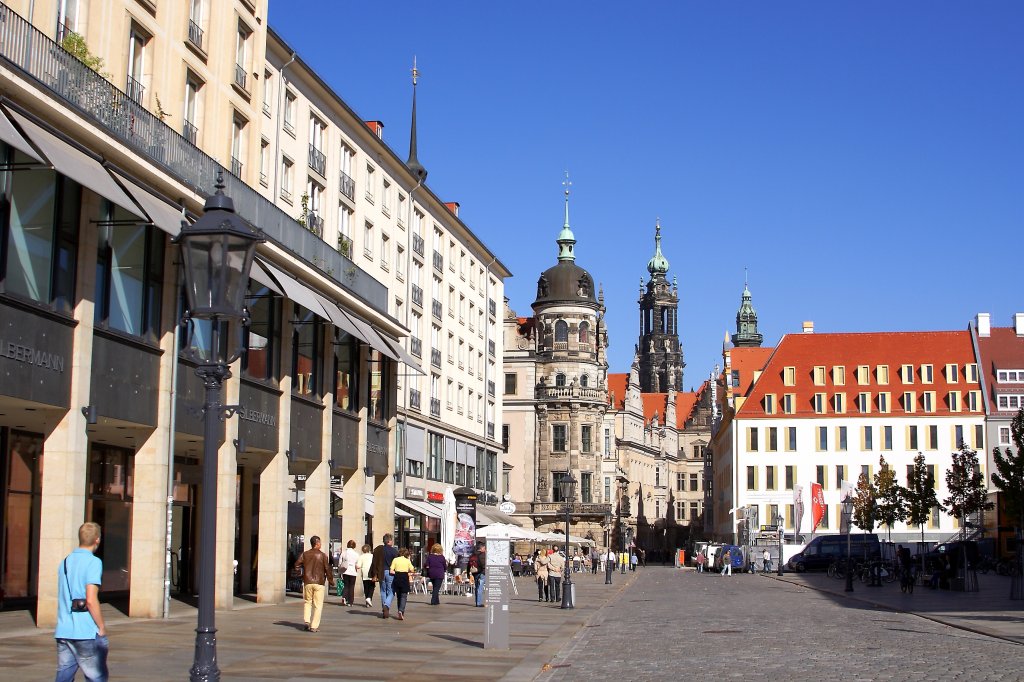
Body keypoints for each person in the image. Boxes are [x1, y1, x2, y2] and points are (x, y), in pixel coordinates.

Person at [55, 522, 108, 682]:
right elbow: (91, 600)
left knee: (64, 675)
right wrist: (101, 626)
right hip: (85, 631)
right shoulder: (94, 562)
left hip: (64, 630)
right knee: (96, 676)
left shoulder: (65, 562)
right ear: (97, 540)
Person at [294, 535, 334, 632]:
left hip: (308, 581)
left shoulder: (305, 554)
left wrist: (301, 575)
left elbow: (297, 565)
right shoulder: (323, 555)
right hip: (319, 582)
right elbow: (327, 569)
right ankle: (314, 626)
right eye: (319, 542)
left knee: (308, 602)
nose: (320, 544)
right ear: (317, 543)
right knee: (318, 605)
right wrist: (330, 580)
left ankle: (307, 621)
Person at [370, 533, 399, 619]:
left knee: (383, 590)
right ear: (389, 541)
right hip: (390, 573)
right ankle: (386, 605)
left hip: (381, 572)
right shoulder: (394, 551)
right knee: (391, 591)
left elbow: (374, 562)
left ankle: (384, 608)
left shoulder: (379, 550)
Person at [389, 547, 416, 620]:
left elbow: (391, 571)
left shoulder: (395, 559)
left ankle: (399, 611)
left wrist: (397, 573)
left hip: (397, 577)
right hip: (404, 577)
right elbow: (412, 569)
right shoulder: (407, 561)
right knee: (404, 596)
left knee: (398, 596)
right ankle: (401, 611)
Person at [340, 539, 359, 606]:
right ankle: (350, 602)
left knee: (346, 585)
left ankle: (344, 597)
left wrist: (340, 570)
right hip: (353, 571)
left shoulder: (344, 552)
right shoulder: (356, 554)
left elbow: (340, 562)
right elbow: (357, 564)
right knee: (351, 586)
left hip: (345, 571)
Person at [471, 542, 487, 607]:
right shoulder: (482, 555)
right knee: (480, 588)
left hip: (475, 573)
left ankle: (477, 601)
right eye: (484, 548)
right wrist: (484, 572)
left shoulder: (473, 554)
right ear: (482, 548)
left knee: (477, 587)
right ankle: (479, 603)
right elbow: (484, 565)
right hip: (481, 573)